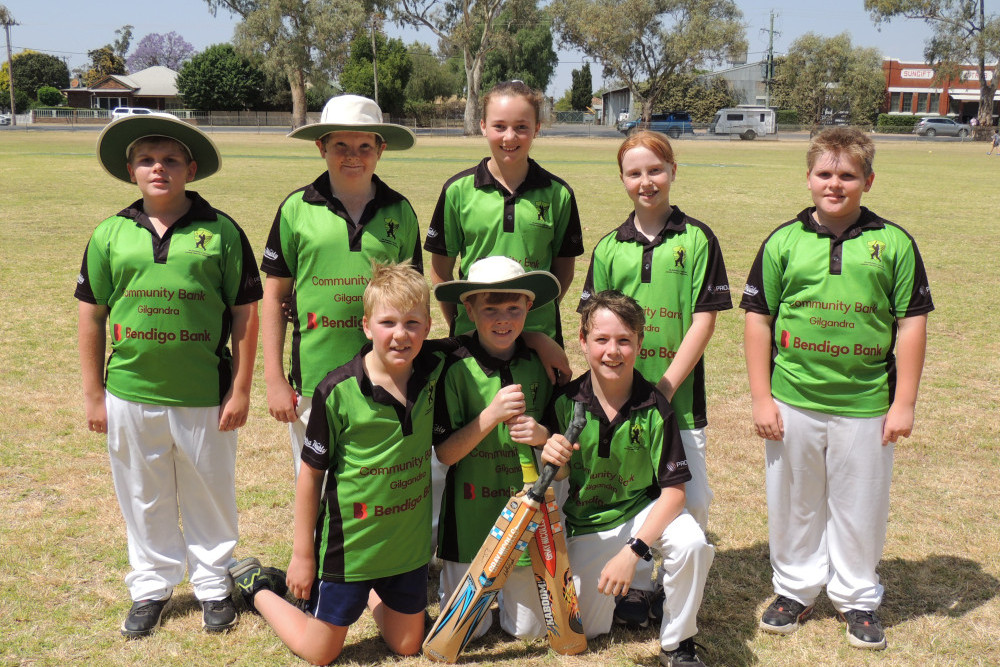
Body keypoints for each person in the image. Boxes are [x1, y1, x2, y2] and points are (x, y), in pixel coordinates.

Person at [741, 127, 933, 650]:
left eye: (847, 175)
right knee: (794, 499)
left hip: (866, 401)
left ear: (867, 180)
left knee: (859, 503)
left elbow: (911, 323)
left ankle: (858, 596)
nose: (835, 184)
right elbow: (758, 318)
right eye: (824, 174)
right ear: (808, 178)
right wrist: (762, 397)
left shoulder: (893, 242)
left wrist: (904, 403)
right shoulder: (784, 240)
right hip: (793, 396)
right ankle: (795, 588)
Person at [76, 113, 262, 638]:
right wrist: (94, 395)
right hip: (130, 392)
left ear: (191, 168)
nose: (159, 168)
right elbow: (92, 315)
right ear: (131, 170)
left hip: (205, 391)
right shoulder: (111, 234)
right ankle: (152, 586)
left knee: (210, 490)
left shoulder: (222, 231)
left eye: (171, 160)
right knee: (143, 492)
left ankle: (212, 584)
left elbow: (246, 313)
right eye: (147, 160)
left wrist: (242, 388)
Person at [231, 262, 449, 665]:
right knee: (320, 654)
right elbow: (311, 476)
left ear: (428, 326)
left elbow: (485, 342)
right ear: (366, 326)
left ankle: (372, 592)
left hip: (405, 547)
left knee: (407, 645)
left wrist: (542, 344)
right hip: (351, 548)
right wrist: (302, 555)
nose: (400, 334)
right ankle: (258, 587)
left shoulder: (435, 367)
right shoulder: (337, 390)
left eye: (412, 323)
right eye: (387, 322)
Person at [579, 131, 730, 627]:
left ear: (673, 171)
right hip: (622, 404)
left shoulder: (697, 238)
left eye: (655, 170)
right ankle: (639, 589)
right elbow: (595, 327)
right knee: (636, 489)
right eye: (634, 173)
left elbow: (703, 322)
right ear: (622, 179)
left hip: (679, 402)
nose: (646, 182)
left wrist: (663, 387)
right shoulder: (608, 248)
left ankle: (673, 586)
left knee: (695, 500)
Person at [541, 290, 714, 667]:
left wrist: (633, 552)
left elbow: (674, 495)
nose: (612, 351)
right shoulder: (563, 402)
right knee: (584, 629)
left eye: (624, 340)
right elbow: (560, 479)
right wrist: (553, 455)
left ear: (640, 343)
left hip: (641, 512)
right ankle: (623, 598)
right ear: (583, 342)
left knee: (693, 545)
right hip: (589, 523)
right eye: (601, 339)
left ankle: (678, 644)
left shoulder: (656, 405)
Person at [260, 95, 421, 477]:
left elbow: (413, 300)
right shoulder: (296, 208)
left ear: (380, 150)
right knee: (314, 487)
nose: (353, 156)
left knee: (374, 486)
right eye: (341, 146)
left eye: (365, 146)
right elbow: (275, 296)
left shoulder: (400, 211)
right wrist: (274, 380)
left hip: (384, 375)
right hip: (314, 380)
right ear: (322, 148)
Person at [431, 256, 561, 640]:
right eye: (490, 309)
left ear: (528, 308)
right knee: (467, 633)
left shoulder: (541, 364)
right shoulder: (451, 364)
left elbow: (561, 448)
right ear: (468, 309)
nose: (503, 319)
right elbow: (445, 454)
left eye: (513, 308)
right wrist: (489, 416)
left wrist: (541, 435)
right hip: (468, 517)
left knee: (529, 632)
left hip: (525, 514)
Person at [424, 79, 584, 345]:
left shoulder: (559, 194)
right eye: (500, 126)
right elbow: (441, 270)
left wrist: (536, 310)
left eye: (521, 127)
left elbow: (564, 271)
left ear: (537, 129)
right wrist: (460, 321)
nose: (510, 137)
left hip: (538, 336)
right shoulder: (457, 191)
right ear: (483, 127)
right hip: (472, 335)